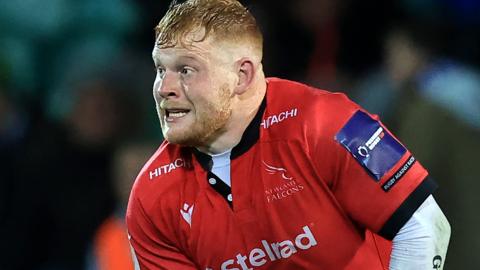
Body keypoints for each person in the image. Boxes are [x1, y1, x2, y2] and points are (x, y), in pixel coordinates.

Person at [126, 0, 451, 269]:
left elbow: (423, 228)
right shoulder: (150, 196)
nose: (164, 89)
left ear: (242, 75)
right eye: (160, 69)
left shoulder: (338, 123)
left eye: (186, 70)